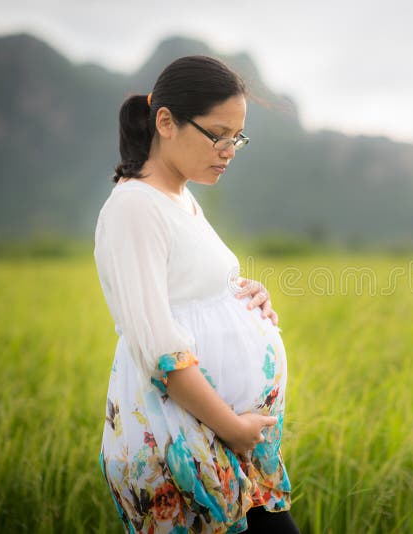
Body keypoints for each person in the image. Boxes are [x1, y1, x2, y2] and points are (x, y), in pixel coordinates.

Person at [94, 55, 300, 534]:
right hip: (181, 447)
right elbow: (160, 350)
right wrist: (234, 428)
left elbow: (199, 291)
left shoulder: (179, 198)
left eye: (237, 138)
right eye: (217, 134)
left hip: (222, 441)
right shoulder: (134, 208)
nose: (228, 150)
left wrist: (249, 295)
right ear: (165, 121)